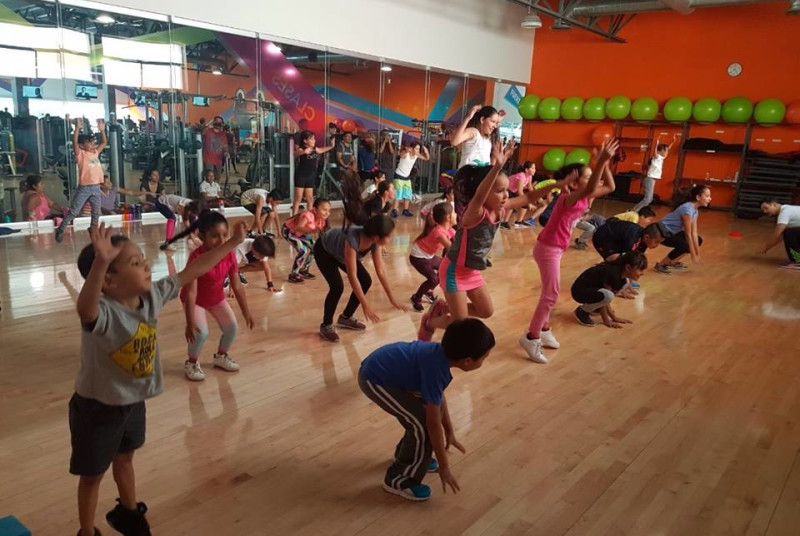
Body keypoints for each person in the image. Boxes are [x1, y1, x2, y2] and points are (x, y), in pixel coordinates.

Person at [70, 220, 247, 536]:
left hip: (132, 401)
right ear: (109, 280)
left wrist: (232, 243)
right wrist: (100, 262)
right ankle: (86, 531)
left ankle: (128, 513)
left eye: (143, 259)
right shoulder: (103, 312)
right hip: (98, 408)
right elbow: (85, 308)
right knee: (93, 475)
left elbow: (195, 269)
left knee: (125, 458)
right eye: (135, 263)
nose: (146, 265)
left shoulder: (152, 296)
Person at [419, 140, 565, 342]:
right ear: (484, 192)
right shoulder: (474, 213)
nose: (506, 195)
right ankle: (430, 322)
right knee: (460, 324)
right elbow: (479, 196)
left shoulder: (501, 209)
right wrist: (497, 167)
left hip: (472, 271)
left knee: (485, 311)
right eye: (499, 191)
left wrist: (555, 185)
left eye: (506, 190)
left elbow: (528, 197)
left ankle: (444, 308)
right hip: (454, 270)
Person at [358, 318, 494, 501]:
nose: (484, 361)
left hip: (388, 373)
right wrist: (444, 467)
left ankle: (413, 455)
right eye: (484, 357)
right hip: (375, 379)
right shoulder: (435, 367)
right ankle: (399, 480)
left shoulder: (440, 357)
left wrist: (449, 431)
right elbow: (432, 424)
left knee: (420, 422)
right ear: (468, 361)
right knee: (421, 425)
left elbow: (437, 398)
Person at [520, 138, 619, 364]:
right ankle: (531, 337)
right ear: (574, 184)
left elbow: (610, 187)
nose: (592, 179)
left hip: (554, 249)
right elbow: (592, 187)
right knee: (551, 294)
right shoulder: (569, 197)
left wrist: (604, 164)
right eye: (587, 176)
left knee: (549, 293)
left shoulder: (584, 196)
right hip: (547, 249)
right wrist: (600, 161)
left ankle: (544, 328)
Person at [174, 211, 254, 381]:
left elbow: (237, 285)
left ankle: (221, 356)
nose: (221, 240)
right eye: (215, 236)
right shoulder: (196, 257)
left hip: (216, 298)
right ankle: (191, 362)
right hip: (195, 301)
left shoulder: (229, 254)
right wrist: (189, 322)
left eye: (225, 235)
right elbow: (191, 292)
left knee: (232, 327)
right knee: (201, 333)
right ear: (202, 236)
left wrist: (246, 311)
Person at [313, 211, 406, 342]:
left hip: (342, 253)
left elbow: (380, 271)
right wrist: (365, 304)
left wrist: (392, 299)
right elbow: (352, 276)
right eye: (388, 236)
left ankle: (346, 317)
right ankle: (326, 325)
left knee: (365, 280)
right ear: (377, 236)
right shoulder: (352, 239)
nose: (390, 239)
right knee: (337, 286)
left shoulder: (375, 242)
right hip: (324, 250)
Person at [55, 117, 107, 243]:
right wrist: (77, 128)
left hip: (96, 187)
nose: (93, 144)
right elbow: (74, 141)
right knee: (74, 211)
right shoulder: (80, 155)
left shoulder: (95, 153)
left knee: (96, 212)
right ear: (82, 146)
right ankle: (61, 229)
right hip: (85, 188)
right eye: (90, 142)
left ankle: (93, 229)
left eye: (93, 142)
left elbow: (104, 142)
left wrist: (102, 131)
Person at [571, 253, 647, 328]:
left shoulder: (623, 279)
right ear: (628, 268)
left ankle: (593, 308)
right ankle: (581, 311)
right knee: (608, 295)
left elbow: (606, 301)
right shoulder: (613, 273)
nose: (642, 273)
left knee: (623, 285)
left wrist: (613, 317)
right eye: (640, 269)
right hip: (578, 292)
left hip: (592, 292)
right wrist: (607, 320)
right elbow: (606, 299)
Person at [654, 185, 710, 274]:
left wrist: (697, 254)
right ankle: (661, 265)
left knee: (698, 239)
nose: (710, 199)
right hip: (661, 232)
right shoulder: (687, 209)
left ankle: (672, 262)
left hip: (672, 232)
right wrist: (693, 255)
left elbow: (694, 233)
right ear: (698, 197)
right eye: (707, 196)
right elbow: (688, 235)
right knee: (684, 245)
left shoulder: (695, 210)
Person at [409, 202, 455, 312]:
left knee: (444, 268)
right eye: (454, 213)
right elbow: (453, 248)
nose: (456, 215)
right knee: (434, 279)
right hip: (418, 257)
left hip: (428, 256)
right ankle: (416, 297)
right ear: (448, 217)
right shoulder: (440, 233)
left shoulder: (448, 229)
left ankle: (428, 291)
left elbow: (457, 239)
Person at [282, 198, 331, 284]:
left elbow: (321, 235)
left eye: (329, 210)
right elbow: (298, 228)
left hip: (301, 233)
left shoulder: (322, 221)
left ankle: (304, 270)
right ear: (315, 209)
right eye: (324, 210)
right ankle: (293, 275)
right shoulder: (307, 215)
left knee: (316, 248)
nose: (327, 213)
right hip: (289, 231)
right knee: (302, 250)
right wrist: (312, 231)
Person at [632, 133, 678, 212]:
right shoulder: (656, 157)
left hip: (651, 180)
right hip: (649, 179)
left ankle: (635, 210)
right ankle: (633, 211)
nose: (667, 152)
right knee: (647, 199)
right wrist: (657, 143)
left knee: (649, 199)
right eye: (665, 150)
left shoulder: (661, 158)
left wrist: (672, 142)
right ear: (659, 151)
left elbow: (668, 149)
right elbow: (655, 151)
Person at [292, 130, 334, 216]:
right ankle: (293, 217)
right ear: (305, 141)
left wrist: (331, 146)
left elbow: (321, 150)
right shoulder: (302, 148)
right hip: (301, 175)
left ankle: (310, 217)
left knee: (310, 199)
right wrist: (304, 152)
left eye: (314, 139)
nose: (314, 140)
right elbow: (295, 154)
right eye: (311, 139)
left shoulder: (315, 149)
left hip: (311, 176)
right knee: (298, 198)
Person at [592, 219, 667, 262]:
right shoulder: (632, 239)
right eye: (656, 242)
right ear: (647, 237)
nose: (657, 245)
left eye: (659, 243)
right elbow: (628, 260)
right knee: (616, 260)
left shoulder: (643, 239)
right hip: (602, 237)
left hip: (617, 240)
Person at [758, 199, 800, 269]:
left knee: (789, 232)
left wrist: (765, 248)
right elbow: (781, 237)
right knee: (789, 233)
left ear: (774, 204)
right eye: (763, 210)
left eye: (766, 208)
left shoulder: (785, 212)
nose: (765, 212)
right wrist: (767, 248)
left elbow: (777, 234)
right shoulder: (787, 209)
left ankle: (797, 262)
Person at [392, 141, 429, 218]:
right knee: (398, 195)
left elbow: (426, 158)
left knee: (407, 195)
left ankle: (405, 210)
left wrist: (426, 152)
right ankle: (394, 211)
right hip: (399, 176)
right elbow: (401, 155)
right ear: (412, 149)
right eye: (416, 149)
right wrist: (406, 150)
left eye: (419, 149)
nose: (418, 150)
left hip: (407, 177)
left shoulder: (416, 155)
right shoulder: (406, 154)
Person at [501, 161, 537, 229]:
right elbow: (520, 191)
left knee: (524, 204)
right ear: (526, 170)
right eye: (532, 168)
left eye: (535, 168)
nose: (535, 170)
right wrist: (528, 203)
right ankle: (504, 223)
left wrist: (536, 196)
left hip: (514, 190)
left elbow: (530, 187)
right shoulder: (521, 176)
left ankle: (519, 222)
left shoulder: (529, 176)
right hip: (507, 189)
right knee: (512, 205)